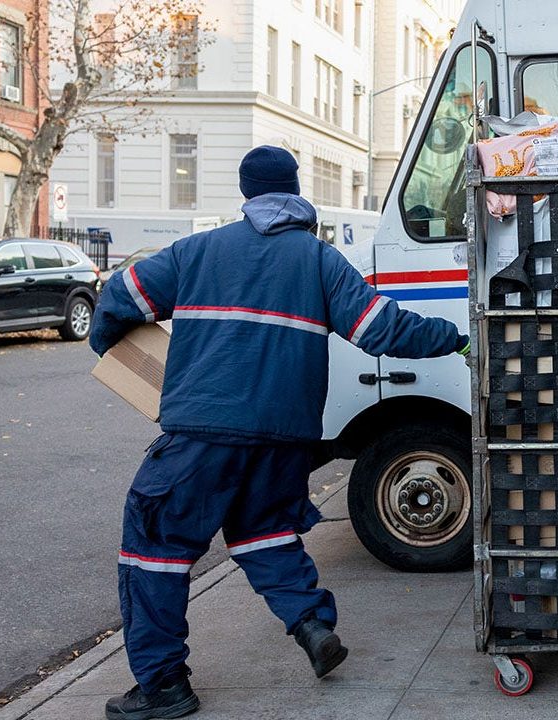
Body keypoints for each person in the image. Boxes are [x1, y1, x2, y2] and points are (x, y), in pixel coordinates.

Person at [91, 146, 469, 720]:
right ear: (294, 191)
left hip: (203, 433)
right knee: (264, 532)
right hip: (285, 438)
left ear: (246, 194)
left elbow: (120, 296)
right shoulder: (321, 261)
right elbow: (382, 328)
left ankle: (163, 686)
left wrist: (109, 343)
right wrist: (456, 337)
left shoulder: (198, 252)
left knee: (154, 551)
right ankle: (312, 624)